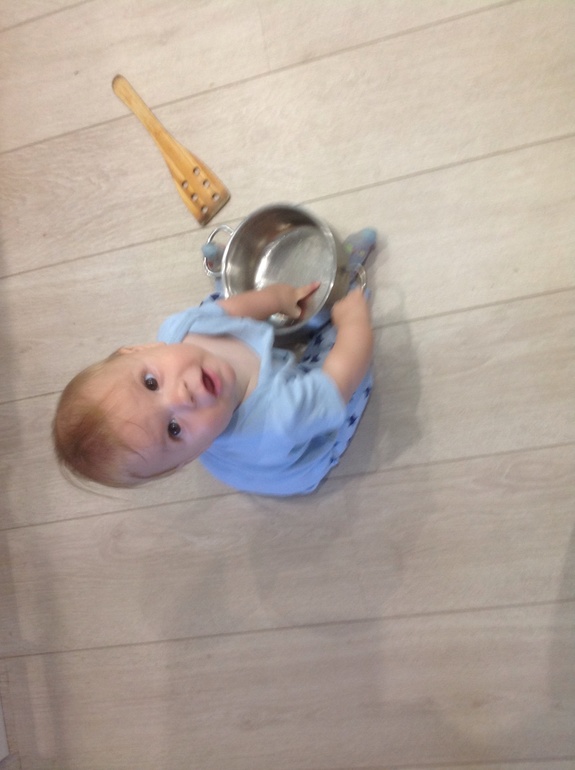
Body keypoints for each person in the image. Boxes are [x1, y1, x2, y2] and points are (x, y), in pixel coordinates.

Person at [52, 229, 376, 495]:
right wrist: (352, 323)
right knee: (346, 364)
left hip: (257, 376)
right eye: (174, 430)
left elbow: (233, 310)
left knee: (212, 310)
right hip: (299, 456)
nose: (182, 397)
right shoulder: (278, 420)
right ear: (192, 455)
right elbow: (340, 380)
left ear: (139, 349)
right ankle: (346, 277)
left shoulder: (180, 331)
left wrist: (278, 298)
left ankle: (228, 278)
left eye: (151, 383)